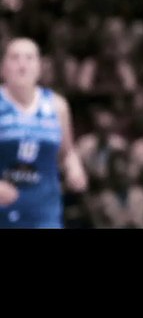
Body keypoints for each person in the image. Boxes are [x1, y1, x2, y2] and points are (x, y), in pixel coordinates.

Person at [0, 37, 88, 228]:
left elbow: (67, 152)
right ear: (2, 67)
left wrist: (74, 167)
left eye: (29, 58)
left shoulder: (57, 106)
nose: (22, 65)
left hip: (44, 213)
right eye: (15, 58)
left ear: (39, 67)